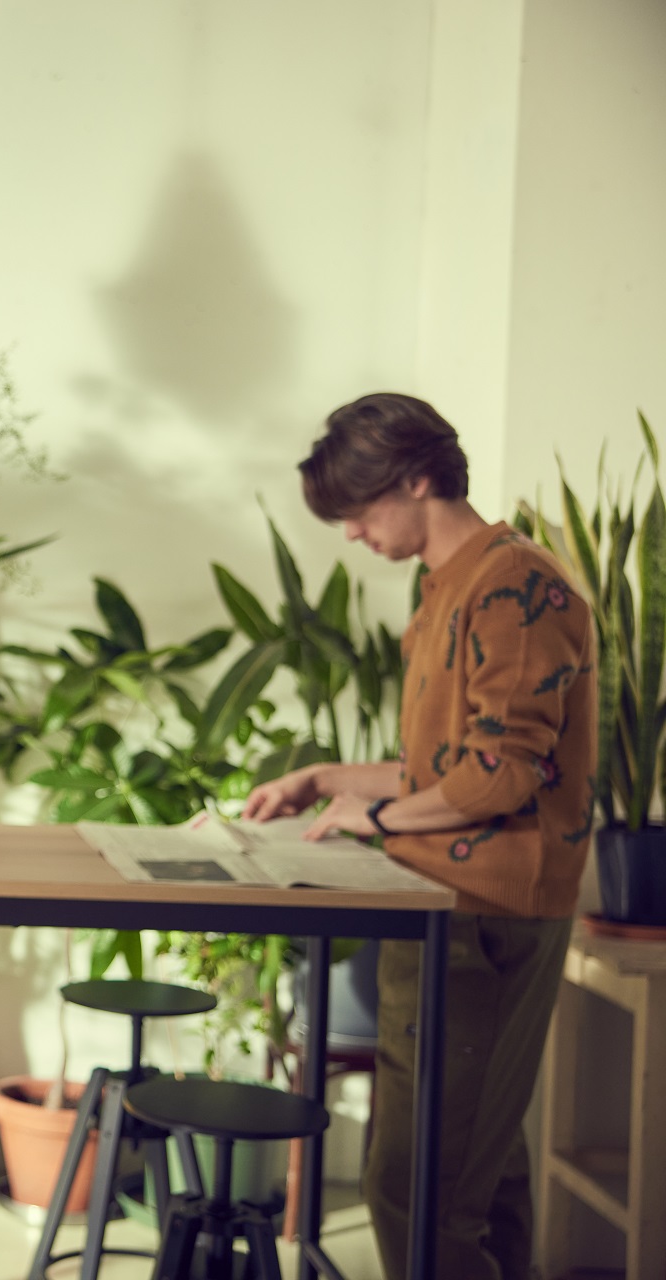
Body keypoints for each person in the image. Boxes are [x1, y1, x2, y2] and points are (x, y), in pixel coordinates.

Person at [242, 392, 595, 1280]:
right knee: (482, 1170)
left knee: (419, 1186)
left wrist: (380, 818)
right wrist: (325, 780)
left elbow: (506, 774)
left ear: (420, 479)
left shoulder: (518, 587)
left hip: (486, 915)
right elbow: (446, 769)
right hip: (443, 907)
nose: (354, 534)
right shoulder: (451, 589)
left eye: (361, 512)